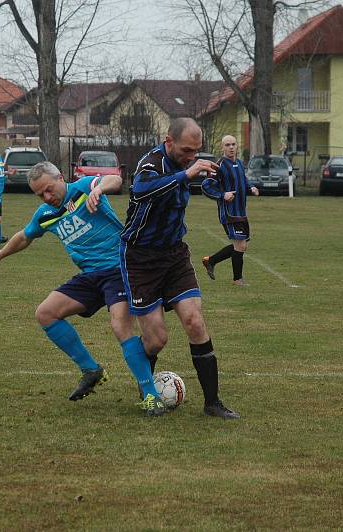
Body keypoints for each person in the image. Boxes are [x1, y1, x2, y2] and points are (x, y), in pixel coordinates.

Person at [0, 161, 167, 416]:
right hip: (90, 276)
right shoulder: (45, 214)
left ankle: (150, 396)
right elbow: (25, 236)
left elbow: (113, 179)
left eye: (49, 189)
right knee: (45, 313)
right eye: (40, 194)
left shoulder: (82, 188)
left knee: (120, 327)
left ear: (60, 178)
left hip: (118, 269)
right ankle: (91, 369)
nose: (47, 197)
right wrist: (1, 254)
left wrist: (98, 190)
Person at [119, 117, 240, 419]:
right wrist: (186, 174)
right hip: (141, 259)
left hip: (174, 255)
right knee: (157, 339)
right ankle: (148, 392)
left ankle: (212, 404)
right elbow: (140, 191)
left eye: (196, 151)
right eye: (187, 150)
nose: (192, 156)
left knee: (195, 322)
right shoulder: (151, 163)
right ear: (169, 141)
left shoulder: (189, 165)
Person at [201, 135, 259, 286]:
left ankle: (211, 260)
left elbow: (243, 179)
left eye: (233, 144)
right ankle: (237, 279)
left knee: (242, 245)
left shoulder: (239, 163)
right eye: (227, 145)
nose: (231, 147)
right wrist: (222, 195)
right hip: (229, 213)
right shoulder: (218, 166)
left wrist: (251, 187)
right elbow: (206, 186)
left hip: (241, 211)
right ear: (222, 147)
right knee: (240, 245)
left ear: (237, 146)